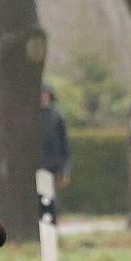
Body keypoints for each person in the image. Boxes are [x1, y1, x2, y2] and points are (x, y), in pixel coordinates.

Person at [42, 84, 71, 221]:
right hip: (36, 164)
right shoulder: (31, 117)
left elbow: (64, 145)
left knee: (50, 199)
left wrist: (65, 169)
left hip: (52, 165)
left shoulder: (57, 117)